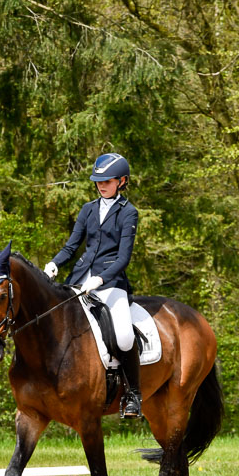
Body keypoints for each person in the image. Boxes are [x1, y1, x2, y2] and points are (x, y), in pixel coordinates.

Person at [44, 152, 142, 418]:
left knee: (123, 335)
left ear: (122, 181)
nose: (101, 185)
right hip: (79, 280)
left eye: (108, 180)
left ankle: (133, 394)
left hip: (111, 283)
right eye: (99, 181)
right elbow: (72, 246)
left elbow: (123, 258)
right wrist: (54, 264)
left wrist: (101, 278)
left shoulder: (128, 213)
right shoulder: (88, 209)